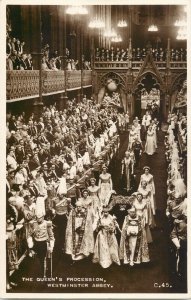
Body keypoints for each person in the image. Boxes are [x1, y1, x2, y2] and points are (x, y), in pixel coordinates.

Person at [27, 212, 55, 276]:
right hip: (36, 243)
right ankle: (39, 271)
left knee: (44, 259)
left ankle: (44, 273)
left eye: (39, 218)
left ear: (43, 217)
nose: (38, 219)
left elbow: (51, 236)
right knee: (37, 259)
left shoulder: (47, 224)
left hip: (44, 243)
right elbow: (29, 235)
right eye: (37, 218)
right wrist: (30, 244)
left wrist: (51, 246)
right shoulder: (33, 224)